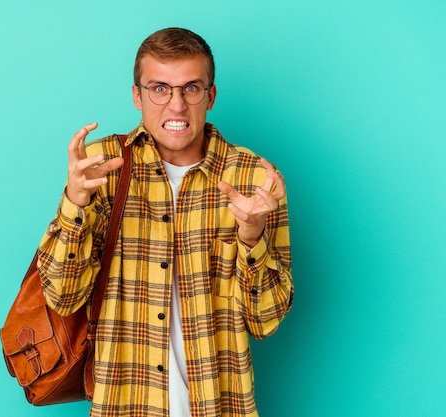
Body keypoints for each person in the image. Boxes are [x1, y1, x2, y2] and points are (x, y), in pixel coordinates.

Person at [37, 27, 293, 417]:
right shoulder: (101, 168)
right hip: (126, 404)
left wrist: (252, 235)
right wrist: (74, 203)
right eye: (159, 88)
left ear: (211, 95)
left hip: (219, 405)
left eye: (191, 88)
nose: (176, 105)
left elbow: (265, 322)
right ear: (137, 95)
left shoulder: (252, 178)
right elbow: (63, 296)